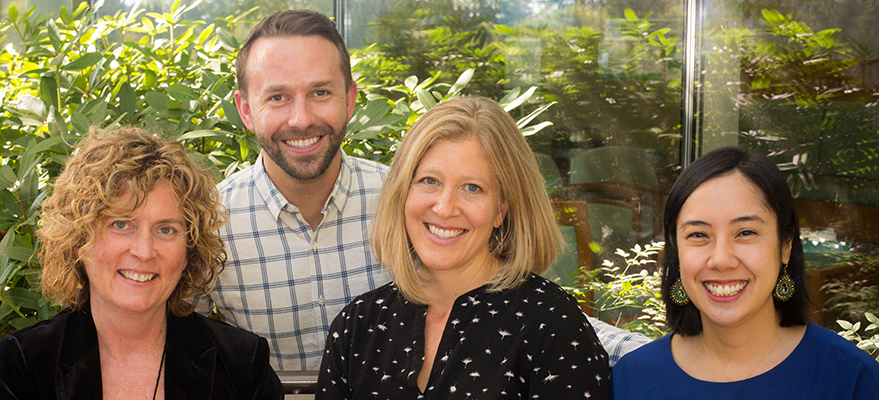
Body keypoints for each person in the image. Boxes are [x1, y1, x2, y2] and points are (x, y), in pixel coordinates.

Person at [200, 8, 649, 372]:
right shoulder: (209, 221)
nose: (301, 118)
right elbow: (168, 336)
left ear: (350, 99)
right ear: (246, 109)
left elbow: (521, 308)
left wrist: (668, 358)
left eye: (320, 92)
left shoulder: (414, 201)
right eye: (277, 97)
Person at [316, 97, 612, 399]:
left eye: (472, 188)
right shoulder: (357, 327)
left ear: (501, 208)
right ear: (403, 193)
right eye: (429, 181)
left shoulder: (552, 324)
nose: (445, 208)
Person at [0, 128, 283, 399]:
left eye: (165, 229)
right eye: (121, 224)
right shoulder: (25, 363)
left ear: (188, 251)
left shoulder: (241, 364)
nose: (144, 251)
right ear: (79, 240)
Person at [611, 147, 879, 399]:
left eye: (746, 232)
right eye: (698, 234)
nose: (721, 260)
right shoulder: (634, 378)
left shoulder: (850, 379)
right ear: (676, 251)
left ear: (785, 246)